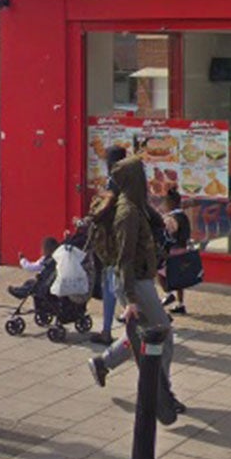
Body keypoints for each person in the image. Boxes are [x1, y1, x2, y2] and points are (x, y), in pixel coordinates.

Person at [86, 155, 185, 424]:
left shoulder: (137, 204)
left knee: (142, 334)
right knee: (162, 337)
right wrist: (130, 299)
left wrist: (166, 219)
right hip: (135, 283)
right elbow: (124, 259)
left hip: (141, 279)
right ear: (133, 181)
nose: (146, 181)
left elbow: (152, 216)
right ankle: (160, 394)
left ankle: (103, 363)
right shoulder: (127, 213)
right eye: (142, 176)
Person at [85, 145, 129, 346]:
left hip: (112, 239)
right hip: (128, 235)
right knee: (122, 282)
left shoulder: (115, 181)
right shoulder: (133, 179)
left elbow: (106, 207)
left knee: (113, 284)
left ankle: (107, 330)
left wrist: (93, 214)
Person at [157, 188, 194, 314]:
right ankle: (180, 304)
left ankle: (169, 294)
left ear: (171, 203)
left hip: (172, 251)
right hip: (182, 249)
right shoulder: (184, 216)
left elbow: (167, 234)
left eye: (165, 202)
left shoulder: (171, 218)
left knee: (160, 273)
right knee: (179, 279)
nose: (164, 205)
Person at [8, 237, 60, 301]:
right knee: (29, 282)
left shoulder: (46, 260)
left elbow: (31, 267)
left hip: (45, 285)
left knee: (32, 286)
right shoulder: (57, 258)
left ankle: (20, 293)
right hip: (51, 283)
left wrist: (22, 259)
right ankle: (20, 291)